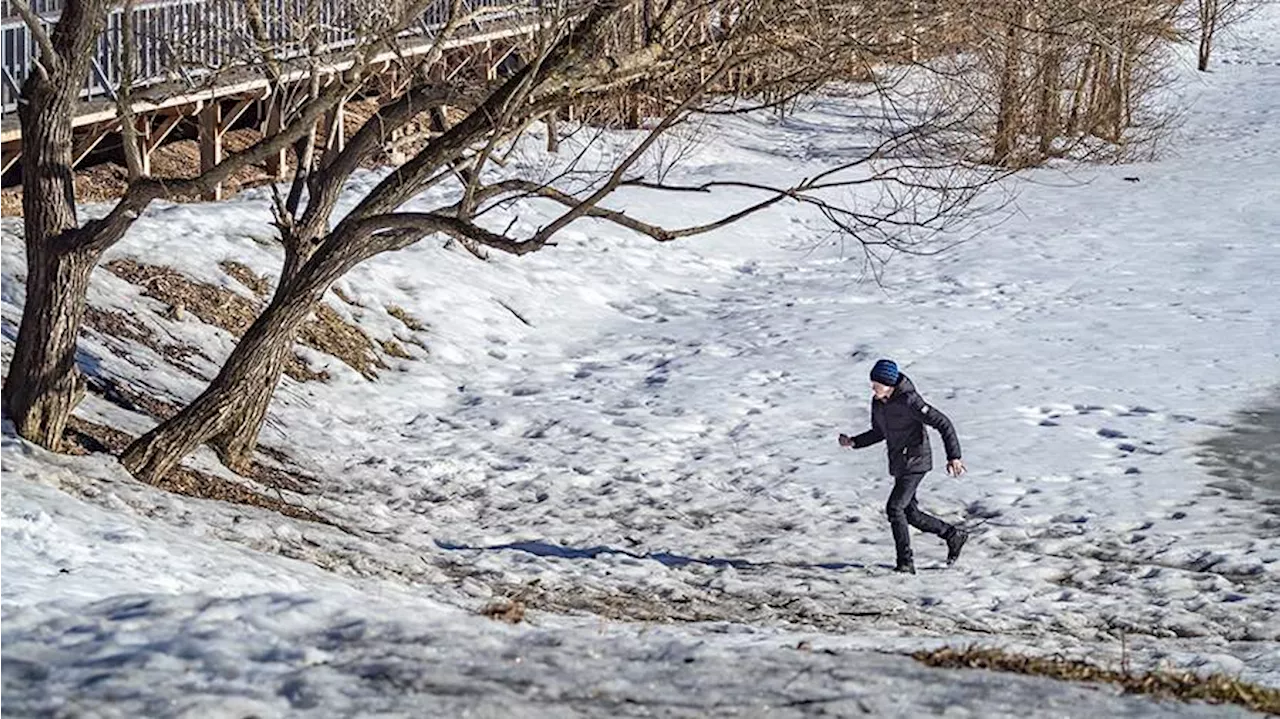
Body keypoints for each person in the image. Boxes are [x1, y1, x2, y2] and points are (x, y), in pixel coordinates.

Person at [839, 359, 968, 574]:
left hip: (916, 461)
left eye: (876, 384)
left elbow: (943, 423)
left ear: (888, 384)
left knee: (894, 507)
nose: (873, 387)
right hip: (899, 463)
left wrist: (954, 457)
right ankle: (952, 535)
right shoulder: (878, 403)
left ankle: (905, 563)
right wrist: (854, 442)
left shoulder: (909, 401)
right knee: (910, 513)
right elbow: (879, 432)